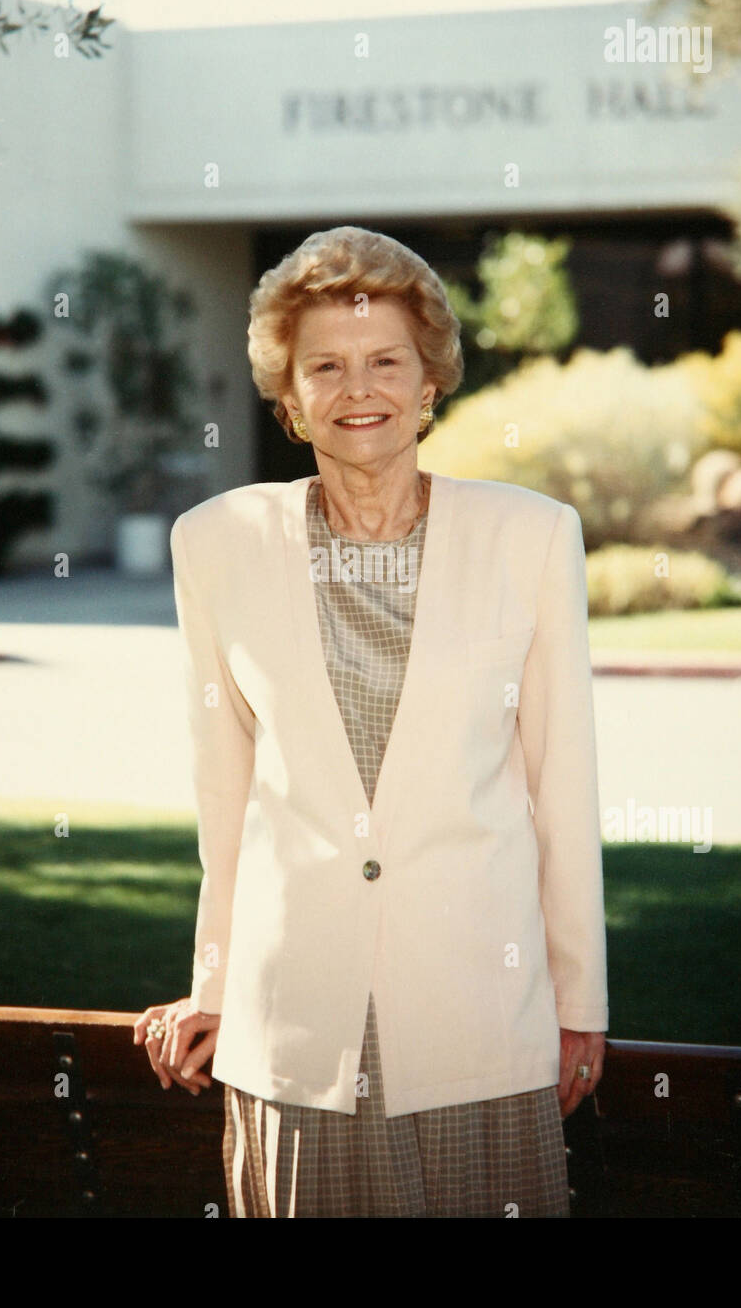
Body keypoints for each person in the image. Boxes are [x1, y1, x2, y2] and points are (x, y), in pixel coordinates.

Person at [134, 225, 608, 1217]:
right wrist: (212, 979)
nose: (360, 389)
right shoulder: (215, 545)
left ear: (429, 380)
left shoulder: (530, 537)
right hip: (292, 1032)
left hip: (483, 1022)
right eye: (328, 368)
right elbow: (225, 798)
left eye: (387, 361)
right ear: (289, 398)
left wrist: (577, 1004)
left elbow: (561, 789)